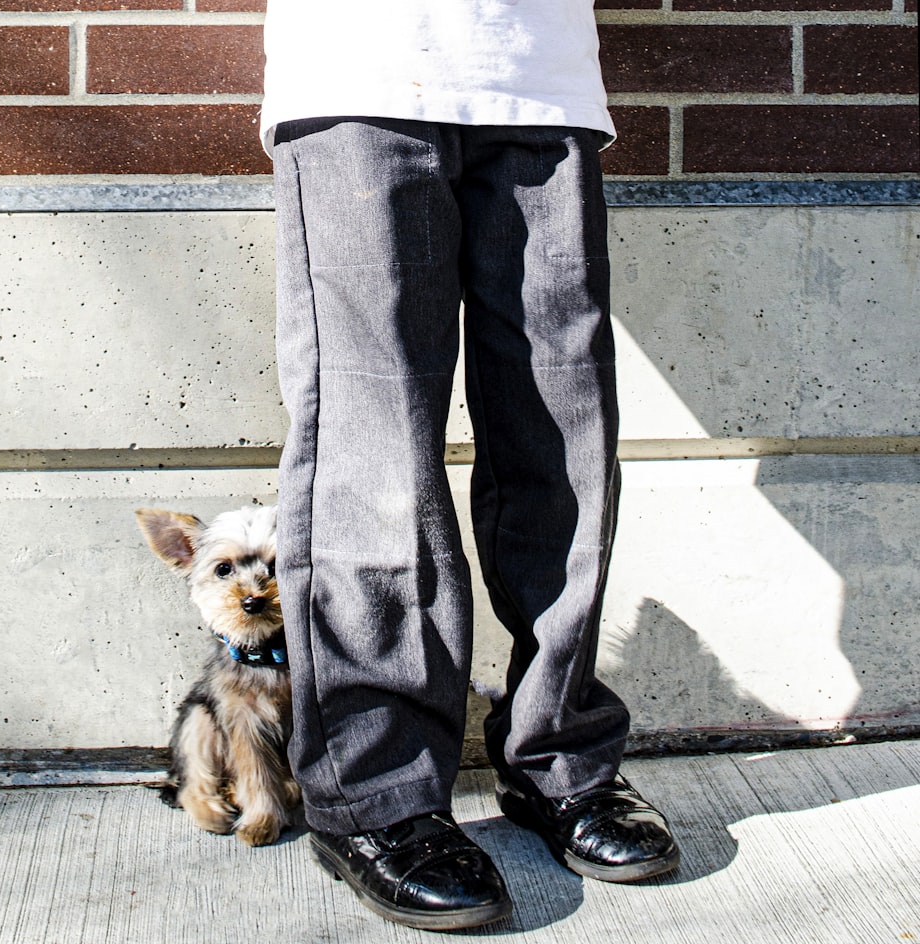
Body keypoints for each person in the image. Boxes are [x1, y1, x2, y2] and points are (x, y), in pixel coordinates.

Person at [261, 0, 680, 930]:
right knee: (372, 450)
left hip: (540, 75)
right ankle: (375, 794)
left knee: (561, 437)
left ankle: (559, 756)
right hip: (357, 73)